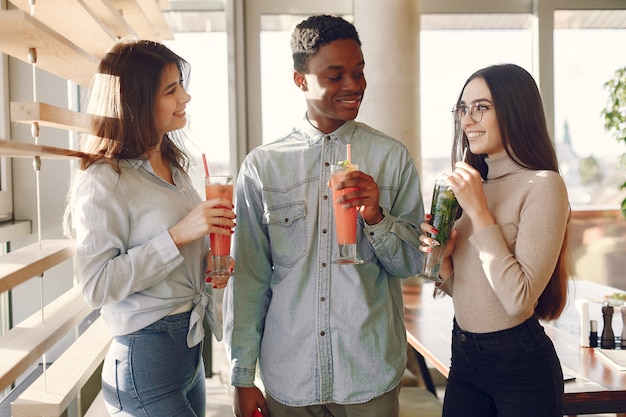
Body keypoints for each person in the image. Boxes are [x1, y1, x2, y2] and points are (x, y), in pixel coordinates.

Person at [223, 14, 425, 417]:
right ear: (301, 80)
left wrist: (376, 216)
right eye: (335, 76)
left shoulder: (391, 158)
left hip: (370, 378)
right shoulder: (263, 167)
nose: (354, 85)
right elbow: (248, 279)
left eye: (359, 72)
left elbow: (413, 262)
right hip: (289, 379)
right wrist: (242, 377)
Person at [64, 40, 236, 416]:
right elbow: (96, 286)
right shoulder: (104, 180)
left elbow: (174, 254)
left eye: (182, 86)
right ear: (136, 101)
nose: (186, 97)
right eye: (172, 90)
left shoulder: (174, 168)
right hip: (146, 356)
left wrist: (207, 263)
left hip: (189, 354)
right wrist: (177, 237)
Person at [420, 63, 571, 417]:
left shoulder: (543, 185)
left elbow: (517, 302)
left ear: (516, 110)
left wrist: (480, 211)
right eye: (463, 108)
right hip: (465, 359)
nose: (467, 119)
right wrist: (443, 262)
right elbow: (476, 293)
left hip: (521, 368)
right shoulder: (476, 185)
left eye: (481, 107)